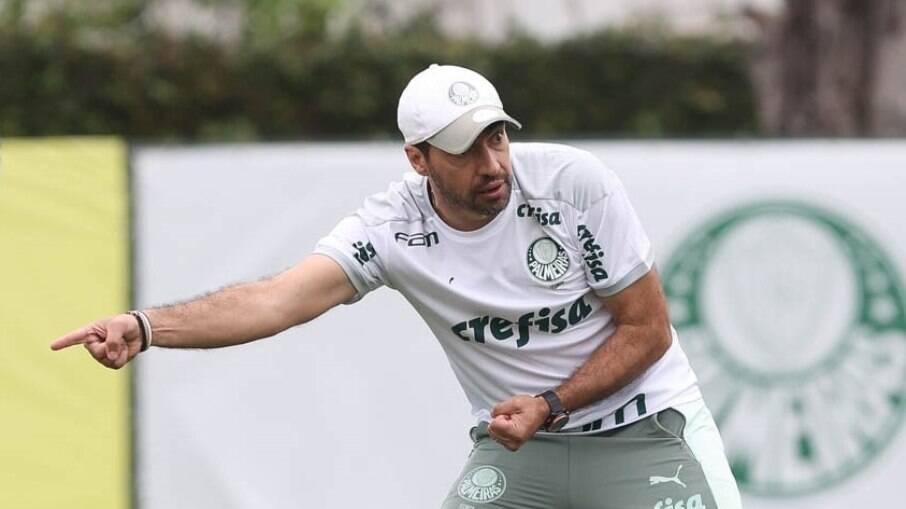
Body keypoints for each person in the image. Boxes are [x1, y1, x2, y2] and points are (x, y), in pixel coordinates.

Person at [51, 64, 742, 509]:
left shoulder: (573, 185)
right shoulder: (390, 227)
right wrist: (145, 326)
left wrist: (549, 401)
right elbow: (277, 299)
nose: (493, 161)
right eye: (467, 147)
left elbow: (647, 329)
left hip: (647, 433)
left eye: (498, 137)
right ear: (418, 158)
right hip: (520, 451)